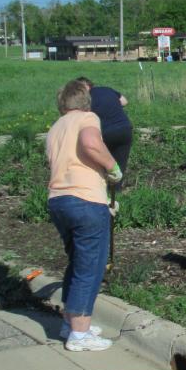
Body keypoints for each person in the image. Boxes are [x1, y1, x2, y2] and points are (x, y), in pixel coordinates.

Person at [46, 79, 121, 352]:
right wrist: (112, 167)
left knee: (77, 262)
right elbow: (90, 143)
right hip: (85, 199)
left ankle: (70, 322)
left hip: (59, 200)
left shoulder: (56, 128)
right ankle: (80, 334)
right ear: (85, 101)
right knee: (91, 266)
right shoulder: (87, 117)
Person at [75, 77, 133, 191]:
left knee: (102, 164)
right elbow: (124, 101)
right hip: (125, 129)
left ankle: (99, 193)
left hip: (105, 133)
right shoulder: (108, 89)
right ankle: (116, 194)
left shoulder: (86, 100)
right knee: (119, 164)